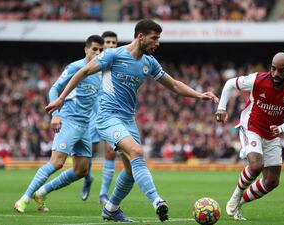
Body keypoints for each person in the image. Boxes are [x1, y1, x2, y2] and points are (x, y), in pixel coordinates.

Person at [45, 19, 219, 222]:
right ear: (140, 37)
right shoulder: (113, 55)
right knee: (136, 152)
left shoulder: (149, 63)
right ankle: (157, 201)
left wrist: (199, 95)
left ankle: (110, 209)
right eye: (155, 38)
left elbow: (173, 85)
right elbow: (83, 72)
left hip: (128, 120)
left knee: (130, 172)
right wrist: (60, 98)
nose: (158, 43)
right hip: (107, 117)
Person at [14, 35, 104, 213]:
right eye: (95, 49)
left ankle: (42, 192)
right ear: (86, 49)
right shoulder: (76, 67)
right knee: (57, 163)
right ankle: (23, 199)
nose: (98, 53)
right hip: (69, 121)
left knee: (82, 171)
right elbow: (54, 88)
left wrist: (101, 122)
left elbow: (95, 102)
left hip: (85, 127)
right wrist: (55, 115)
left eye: (101, 50)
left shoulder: (99, 73)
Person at [215, 52, 284, 220]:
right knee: (256, 166)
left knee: (272, 181)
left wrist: (281, 129)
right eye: (273, 69)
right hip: (251, 126)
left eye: (281, 70)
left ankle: (239, 204)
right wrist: (221, 108)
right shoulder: (257, 79)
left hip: (272, 133)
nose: (276, 74)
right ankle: (235, 196)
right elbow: (229, 84)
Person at [80, 31, 128, 205]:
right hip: (92, 114)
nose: (110, 45)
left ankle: (103, 193)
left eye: (114, 43)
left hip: (110, 114)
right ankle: (87, 179)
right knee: (88, 153)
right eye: (107, 42)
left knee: (110, 152)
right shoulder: (94, 63)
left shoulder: (119, 64)